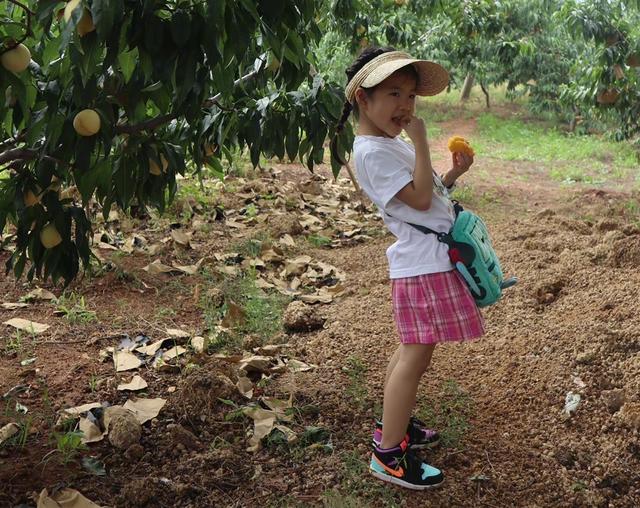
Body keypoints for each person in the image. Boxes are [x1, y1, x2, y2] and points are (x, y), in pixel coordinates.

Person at [330, 47, 485, 490]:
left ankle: (393, 428)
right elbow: (416, 202)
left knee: (412, 353)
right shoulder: (372, 152)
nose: (406, 106)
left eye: (412, 96)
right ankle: (388, 456)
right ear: (364, 97)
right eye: (394, 93)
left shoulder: (387, 143)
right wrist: (421, 141)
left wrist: (450, 175)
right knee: (413, 358)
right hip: (420, 264)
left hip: (427, 259)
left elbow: (425, 192)